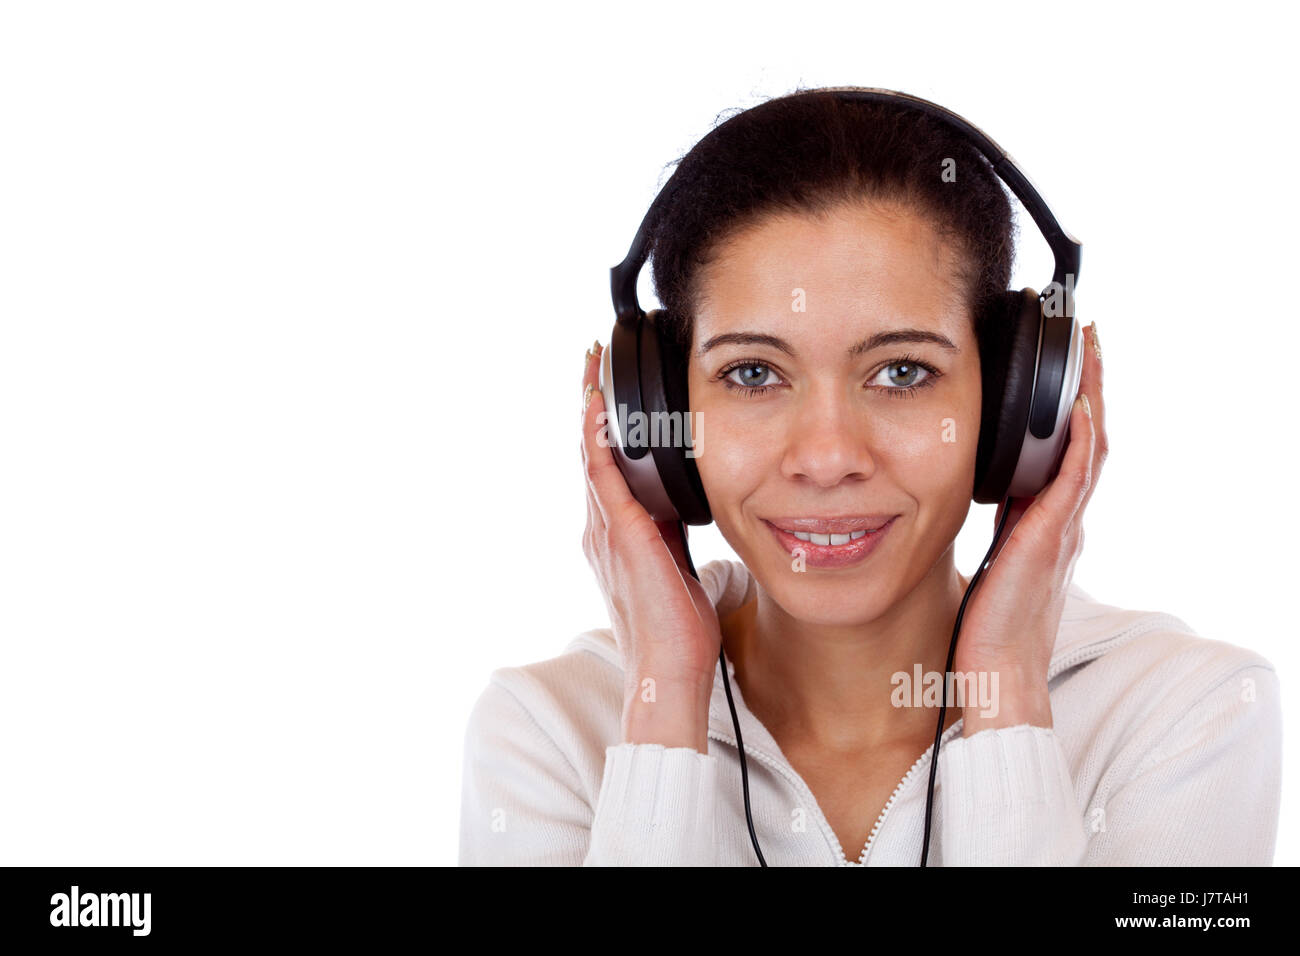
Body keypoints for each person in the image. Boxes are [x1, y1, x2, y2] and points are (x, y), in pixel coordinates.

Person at [458, 89, 1282, 866]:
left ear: (1016, 400)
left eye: (902, 373)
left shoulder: (1188, 713)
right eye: (752, 374)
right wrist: (665, 706)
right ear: (657, 416)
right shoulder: (548, 735)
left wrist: (1005, 689)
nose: (826, 458)